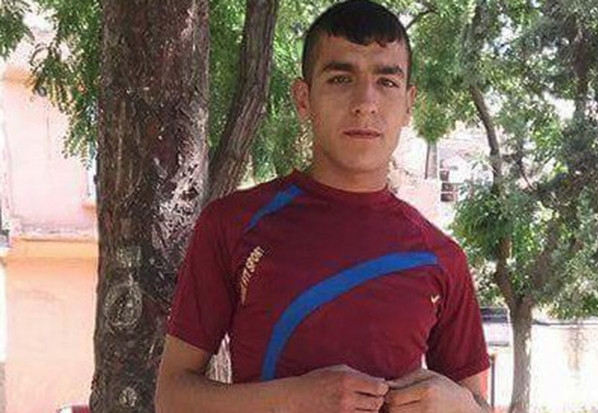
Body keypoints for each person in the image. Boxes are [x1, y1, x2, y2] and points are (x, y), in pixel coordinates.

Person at [155, 1, 491, 412]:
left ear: (409, 104)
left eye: (386, 82)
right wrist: (293, 398)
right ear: (304, 99)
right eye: (340, 79)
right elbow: (172, 397)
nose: (365, 102)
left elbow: (478, 403)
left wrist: (459, 405)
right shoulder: (232, 224)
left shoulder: (442, 257)